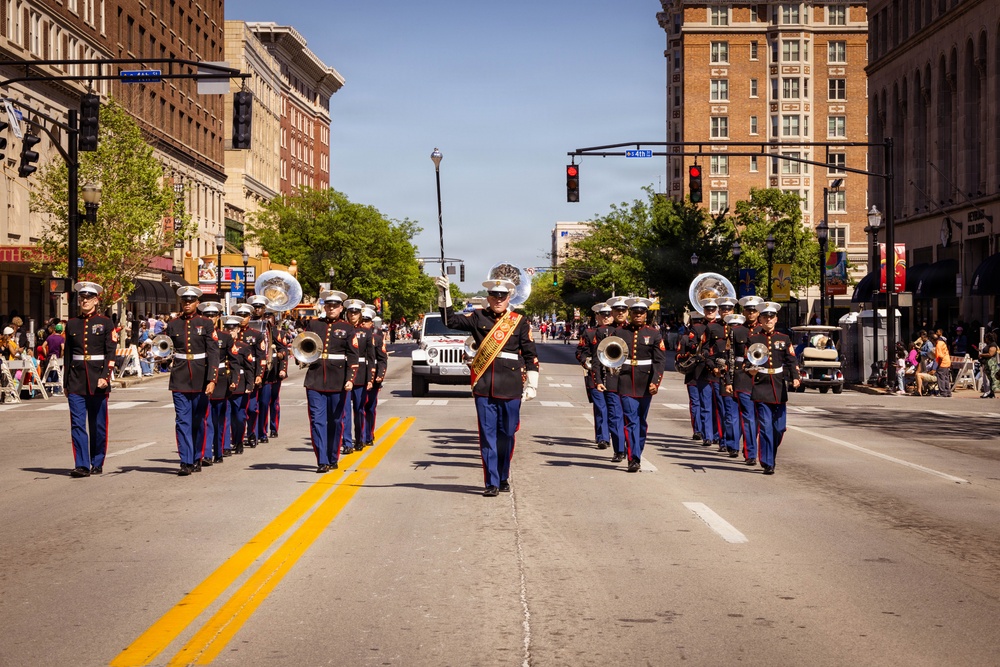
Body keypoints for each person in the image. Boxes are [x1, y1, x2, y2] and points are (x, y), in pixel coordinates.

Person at [436, 274, 538, 496]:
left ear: (509, 297)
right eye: (494, 295)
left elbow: (530, 354)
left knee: (507, 434)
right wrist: (445, 295)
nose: (498, 299)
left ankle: (503, 475)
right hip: (484, 386)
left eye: (502, 296)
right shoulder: (477, 317)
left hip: (511, 386)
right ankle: (491, 482)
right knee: (487, 435)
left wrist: (532, 384)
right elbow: (450, 321)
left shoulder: (519, 322)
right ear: (489, 297)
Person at [63, 282, 117, 477]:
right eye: (81, 298)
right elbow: (68, 355)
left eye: (88, 298)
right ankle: (82, 465)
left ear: (96, 300)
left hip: (97, 379)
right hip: (76, 379)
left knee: (98, 424)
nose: (84, 301)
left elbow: (111, 352)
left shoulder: (105, 322)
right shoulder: (72, 323)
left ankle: (97, 460)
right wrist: (65, 382)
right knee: (77, 423)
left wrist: (106, 376)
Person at [302, 290, 358, 473]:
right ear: (324, 307)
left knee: (335, 421)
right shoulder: (313, 324)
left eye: (335, 306)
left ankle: (333, 456)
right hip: (315, 380)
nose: (331, 308)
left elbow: (353, 356)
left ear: (341, 308)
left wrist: (350, 379)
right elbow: (304, 346)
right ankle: (322, 460)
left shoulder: (348, 329)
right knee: (317, 422)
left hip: (338, 381)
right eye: (328, 305)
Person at [165, 286, 219, 475]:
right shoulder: (173, 324)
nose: (187, 303)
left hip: (200, 377)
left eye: (191, 301)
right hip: (179, 377)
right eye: (185, 301)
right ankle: (185, 460)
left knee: (198, 420)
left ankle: (197, 455)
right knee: (182, 421)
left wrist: (212, 379)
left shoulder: (206, 323)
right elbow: (167, 348)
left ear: (197, 302)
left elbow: (213, 353)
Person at [744, 302, 800, 475]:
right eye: (765, 317)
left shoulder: (784, 339)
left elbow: (791, 360)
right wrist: (750, 370)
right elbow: (747, 361)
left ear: (776, 319)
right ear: (760, 319)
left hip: (778, 385)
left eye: (771, 317)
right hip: (762, 386)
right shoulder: (753, 339)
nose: (768, 320)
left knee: (779, 428)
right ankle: (768, 462)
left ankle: (769, 453)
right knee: (766, 426)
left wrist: (796, 377)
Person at [612, 297, 665, 472]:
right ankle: (633, 458)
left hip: (645, 382)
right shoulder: (620, 332)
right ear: (631, 313)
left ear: (645, 315)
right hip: (626, 380)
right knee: (631, 420)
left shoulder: (654, 334)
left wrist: (655, 383)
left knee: (641, 422)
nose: (638, 315)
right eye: (635, 312)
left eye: (641, 313)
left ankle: (637, 450)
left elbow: (659, 362)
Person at [198, 301, 231, 465]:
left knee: (219, 420)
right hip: (201, 379)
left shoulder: (225, 337)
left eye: (213, 315)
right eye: (207, 315)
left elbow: (234, 361)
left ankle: (220, 449)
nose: (210, 318)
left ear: (218, 317)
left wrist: (234, 381)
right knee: (206, 419)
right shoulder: (197, 335)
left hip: (221, 380)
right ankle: (206, 454)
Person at [341, 298, 376, 455]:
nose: (353, 315)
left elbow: (371, 358)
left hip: (361, 375)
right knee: (345, 411)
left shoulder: (366, 333)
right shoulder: (342, 330)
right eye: (350, 312)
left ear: (360, 315)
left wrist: (370, 379)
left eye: (355, 313)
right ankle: (347, 442)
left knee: (359, 410)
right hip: (344, 374)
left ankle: (360, 438)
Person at [576, 303, 611, 450]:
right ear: (597, 316)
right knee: (600, 407)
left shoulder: (619, 332)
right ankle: (603, 437)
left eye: (609, 314)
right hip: (595, 374)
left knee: (613, 407)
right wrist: (585, 361)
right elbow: (580, 352)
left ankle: (612, 434)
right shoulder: (589, 333)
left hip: (614, 375)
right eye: (603, 314)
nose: (606, 317)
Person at [600, 296, 630, 462]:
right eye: (617, 310)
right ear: (612, 312)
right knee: (615, 416)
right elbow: (598, 358)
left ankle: (632, 449)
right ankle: (619, 449)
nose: (620, 313)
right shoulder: (604, 331)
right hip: (612, 379)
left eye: (623, 310)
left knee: (632, 418)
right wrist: (597, 379)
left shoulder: (635, 330)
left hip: (631, 380)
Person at [224, 314, 258, 455]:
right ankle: (226, 445)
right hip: (224, 385)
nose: (230, 331)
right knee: (226, 416)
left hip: (240, 385)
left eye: (233, 329)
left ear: (238, 330)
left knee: (239, 417)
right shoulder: (220, 345)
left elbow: (249, 367)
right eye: (228, 329)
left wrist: (250, 385)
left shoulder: (243, 347)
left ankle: (238, 441)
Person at [235, 302, 267, 448]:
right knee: (236, 409)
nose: (242, 318)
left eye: (245, 315)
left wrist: (259, 374)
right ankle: (237, 438)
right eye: (239, 315)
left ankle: (252, 432)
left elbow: (261, 356)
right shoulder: (230, 334)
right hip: (235, 374)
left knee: (252, 408)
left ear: (249, 317)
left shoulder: (256, 335)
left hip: (251, 374)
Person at [360, 310, 388, 447]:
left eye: (366, 321)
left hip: (373, 374)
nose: (363, 323)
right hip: (358, 375)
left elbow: (382, 359)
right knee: (358, 407)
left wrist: (380, 375)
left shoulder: (376, 337)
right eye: (362, 321)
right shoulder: (354, 335)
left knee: (369, 407)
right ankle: (360, 435)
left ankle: (368, 435)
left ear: (371, 323)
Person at [932, 331, 952, 397]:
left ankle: (943, 392)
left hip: (942, 362)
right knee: (946, 377)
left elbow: (940, 356)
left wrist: (938, 365)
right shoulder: (942, 342)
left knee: (941, 377)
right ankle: (948, 392)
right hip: (947, 361)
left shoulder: (938, 345)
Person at [980, 332, 998, 398]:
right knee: (988, 378)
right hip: (986, 363)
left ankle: (987, 392)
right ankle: (990, 392)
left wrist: (981, 355)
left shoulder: (993, 345)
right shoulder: (989, 344)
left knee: (987, 378)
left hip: (990, 364)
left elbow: (990, 354)